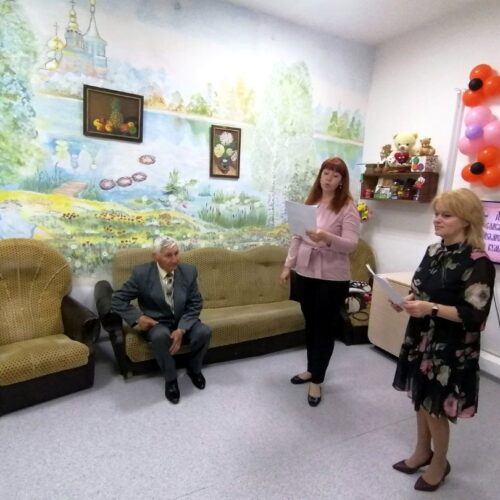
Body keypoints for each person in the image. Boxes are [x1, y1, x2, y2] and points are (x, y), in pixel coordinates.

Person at [391, 188, 495, 492]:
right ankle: (422, 451)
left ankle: (439, 463)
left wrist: (431, 308)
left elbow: (474, 314)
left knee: (435, 406)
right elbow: (421, 288)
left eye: (446, 215)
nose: (437, 219)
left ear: (466, 219)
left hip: (450, 345)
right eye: (436, 213)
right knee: (420, 398)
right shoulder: (434, 251)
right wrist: (406, 300)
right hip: (421, 336)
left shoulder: (478, 262)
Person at [280, 157, 361, 407]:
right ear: (320, 175)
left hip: (332, 278)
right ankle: (310, 369)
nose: (329, 179)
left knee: (324, 329)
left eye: (335, 175)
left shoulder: (347, 207)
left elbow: (351, 245)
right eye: (326, 173)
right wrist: (288, 266)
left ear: (341, 181)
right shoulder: (310, 202)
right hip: (305, 273)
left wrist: (326, 237)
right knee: (311, 325)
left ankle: (317, 379)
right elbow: (297, 236)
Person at [111, 236, 212, 404]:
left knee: (204, 332)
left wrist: (181, 329)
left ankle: (194, 369)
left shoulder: (189, 271)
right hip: (157, 322)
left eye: (176, 253)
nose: (175, 259)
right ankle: (171, 379)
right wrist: (137, 318)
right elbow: (117, 299)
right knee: (159, 337)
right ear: (155, 256)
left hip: (183, 319)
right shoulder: (141, 274)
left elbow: (195, 304)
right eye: (168, 255)